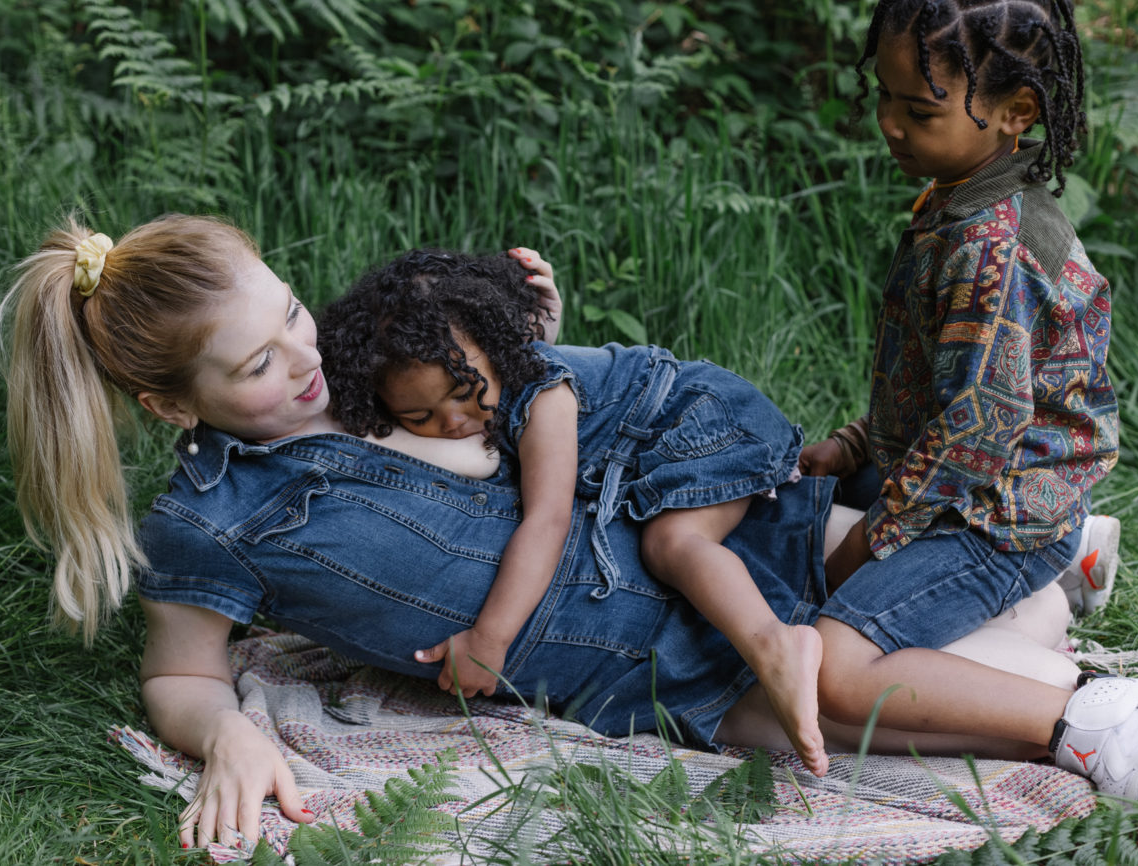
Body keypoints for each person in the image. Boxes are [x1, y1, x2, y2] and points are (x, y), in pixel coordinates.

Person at [0, 214, 1138, 854]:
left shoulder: (351, 374)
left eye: (293, 315)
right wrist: (228, 741)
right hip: (622, 652)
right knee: (796, 713)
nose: (305, 360)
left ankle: (1028, 563)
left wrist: (523, 334)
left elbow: (494, 410)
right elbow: (181, 673)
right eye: (257, 364)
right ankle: (1073, 705)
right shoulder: (209, 522)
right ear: (168, 405)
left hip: (652, 519)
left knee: (834, 561)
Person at [797, 0, 1138, 801]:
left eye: (920, 111)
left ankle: (1092, 719)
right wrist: (860, 447)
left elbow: (976, 432)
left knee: (833, 660)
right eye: (886, 100)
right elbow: (947, 382)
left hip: (993, 505)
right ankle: (1073, 546)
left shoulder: (990, 248)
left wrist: (864, 546)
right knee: (800, 496)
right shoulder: (962, 199)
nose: (892, 126)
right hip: (977, 471)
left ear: (1014, 112)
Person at [317, 248, 826, 776]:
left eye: (467, 393)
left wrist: (490, 638)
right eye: (419, 416)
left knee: (671, 543)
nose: (454, 421)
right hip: (657, 448)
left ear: (499, 352)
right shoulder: (484, 384)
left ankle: (773, 643)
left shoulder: (544, 396)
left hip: (701, 419)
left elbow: (548, 521)